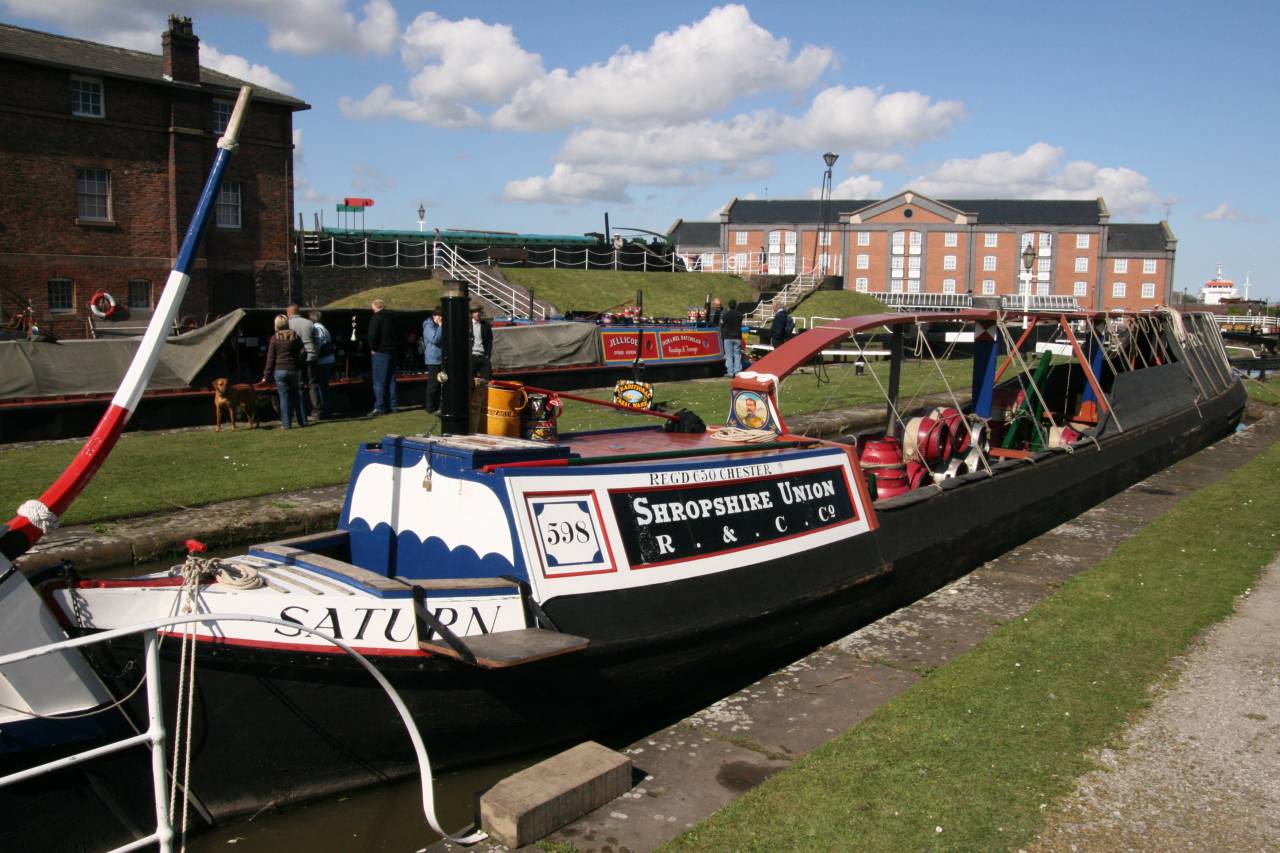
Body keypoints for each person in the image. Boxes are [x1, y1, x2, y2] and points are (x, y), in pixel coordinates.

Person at [262, 314, 306, 429]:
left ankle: (286, 424)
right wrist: (298, 363)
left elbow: (270, 359)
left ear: (276, 324)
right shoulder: (295, 336)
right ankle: (303, 421)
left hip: (279, 370)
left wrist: (266, 375)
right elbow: (303, 352)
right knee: (297, 396)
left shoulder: (274, 338)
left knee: (284, 397)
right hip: (293, 369)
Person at [367, 298, 399, 415]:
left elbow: (372, 335)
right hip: (393, 351)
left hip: (380, 352)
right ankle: (393, 405)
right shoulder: (393, 317)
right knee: (391, 379)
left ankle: (380, 406)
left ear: (375, 307)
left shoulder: (376, 318)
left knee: (379, 381)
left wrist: (373, 347)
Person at [285, 304, 316, 418]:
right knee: (313, 384)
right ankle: (317, 411)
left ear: (289, 313)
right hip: (311, 355)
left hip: (297, 358)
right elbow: (315, 339)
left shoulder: (287, 324)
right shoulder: (309, 323)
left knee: (299, 386)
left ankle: (300, 413)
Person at [309, 310, 334, 419]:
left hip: (322, 360)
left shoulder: (317, 329)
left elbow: (318, 344)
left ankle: (324, 411)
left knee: (321, 386)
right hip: (328, 359)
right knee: (325, 386)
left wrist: (314, 357)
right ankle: (327, 410)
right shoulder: (324, 329)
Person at [421, 308, 443, 414]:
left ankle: (439, 406)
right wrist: (440, 326)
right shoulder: (428, 326)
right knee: (433, 384)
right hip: (433, 359)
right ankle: (430, 407)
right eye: (439, 315)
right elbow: (435, 339)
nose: (441, 318)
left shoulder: (438, 325)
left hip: (441, 358)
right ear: (434, 316)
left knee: (440, 384)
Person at [720, 299, 744, 376]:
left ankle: (730, 372)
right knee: (737, 355)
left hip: (728, 337)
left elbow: (722, 324)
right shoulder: (740, 314)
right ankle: (737, 371)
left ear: (729, 306)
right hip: (737, 337)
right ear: (736, 306)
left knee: (729, 355)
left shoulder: (725, 315)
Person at [469, 306, 494, 381]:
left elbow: (489, 341)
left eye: (478, 312)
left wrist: (487, 356)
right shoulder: (467, 325)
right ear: (472, 314)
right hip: (472, 357)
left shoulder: (486, 325)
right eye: (475, 312)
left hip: (483, 356)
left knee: (487, 380)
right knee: (470, 381)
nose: (477, 314)